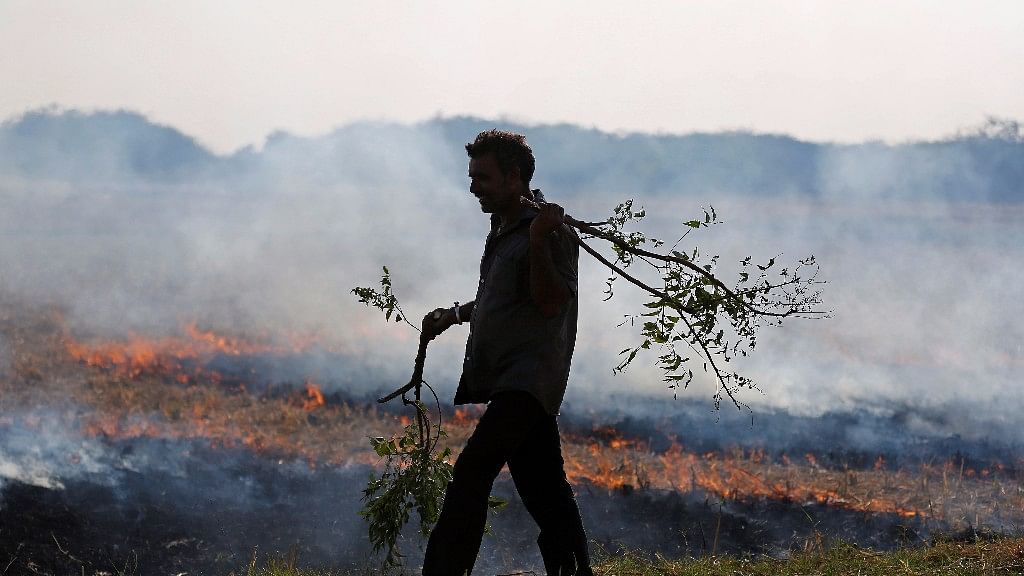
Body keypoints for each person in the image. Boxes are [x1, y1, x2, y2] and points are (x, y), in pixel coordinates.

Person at [420, 130, 592, 576]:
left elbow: (552, 301)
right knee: (545, 490)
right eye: (472, 176)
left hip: (529, 378)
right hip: (511, 378)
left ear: (515, 177)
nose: (474, 186)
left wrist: (538, 240)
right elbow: (504, 298)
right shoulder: (503, 226)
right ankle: (574, 570)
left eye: (484, 177)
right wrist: (455, 315)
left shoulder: (551, 233)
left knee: (473, 471)